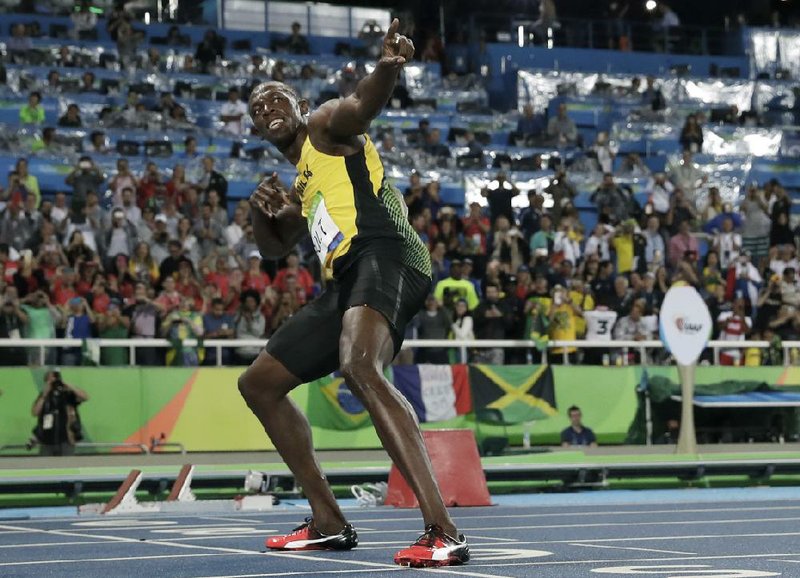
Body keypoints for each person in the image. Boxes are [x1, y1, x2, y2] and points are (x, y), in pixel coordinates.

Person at [239, 19, 468, 566]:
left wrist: (387, 66)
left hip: (389, 252)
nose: (266, 108)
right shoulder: (301, 183)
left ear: (296, 108)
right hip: (348, 278)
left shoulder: (323, 128)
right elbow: (275, 248)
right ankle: (327, 520)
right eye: (256, 108)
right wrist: (257, 214)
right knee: (260, 384)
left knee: (360, 368)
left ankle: (443, 530)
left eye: (276, 99)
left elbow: (360, 106)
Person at [31, 370, 88, 456]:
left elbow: (85, 397)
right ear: (46, 381)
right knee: (45, 467)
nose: (53, 381)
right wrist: (44, 395)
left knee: (67, 466)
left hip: (67, 439)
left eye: (56, 378)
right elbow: (35, 412)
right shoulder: (43, 396)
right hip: (47, 441)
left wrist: (69, 386)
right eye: (50, 379)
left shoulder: (67, 394)